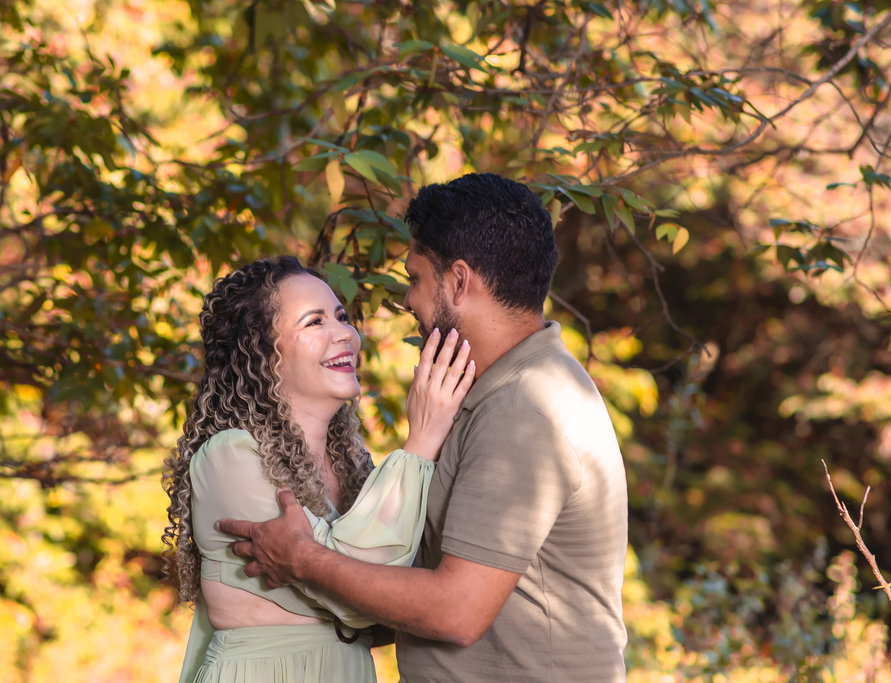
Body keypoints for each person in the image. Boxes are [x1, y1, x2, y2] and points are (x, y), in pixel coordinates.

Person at [219, 173, 629, 683]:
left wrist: (303, 559)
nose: (406, 301)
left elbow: (455, 611)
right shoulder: (491, 394)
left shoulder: (525, 410)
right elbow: (417, 585)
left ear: (459, 281)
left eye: (414, 278)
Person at [163, 255, 476, 683]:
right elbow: (354, 587)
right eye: (314, 322)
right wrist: (420, 442)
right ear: (261, 353)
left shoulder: (350, 463)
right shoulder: (229, 456)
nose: (346, 334)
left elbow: (386, 584)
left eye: (342, 316)